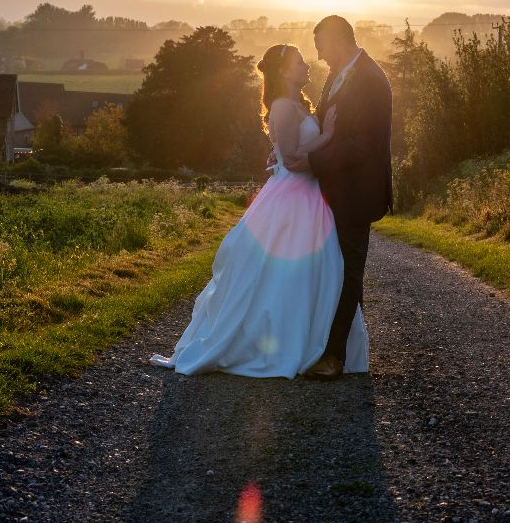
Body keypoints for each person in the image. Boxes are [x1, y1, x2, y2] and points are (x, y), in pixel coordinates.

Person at [148, 42, 369, 378]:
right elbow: (294, 160)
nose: (307, 66)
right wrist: (330, 137)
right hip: (293, 196)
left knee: (317, 270)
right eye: (299, 63)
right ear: (283, 71)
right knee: (284, 272)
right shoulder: (282, 106)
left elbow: (289, 151)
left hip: (310, 197)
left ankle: (313, 341)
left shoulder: (299, 104)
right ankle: (276, 343)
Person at [283, 15, 393, 381]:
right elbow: (326, 121)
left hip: (357, 193)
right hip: (333, 190)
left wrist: (312, 160)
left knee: (349, 272)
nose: (320, 57)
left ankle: (335, 357)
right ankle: (329, 346)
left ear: (338, 42)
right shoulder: (340, 74)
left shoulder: (372, 80)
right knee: (332, 268)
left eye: (322, 48)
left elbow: (363, 145)